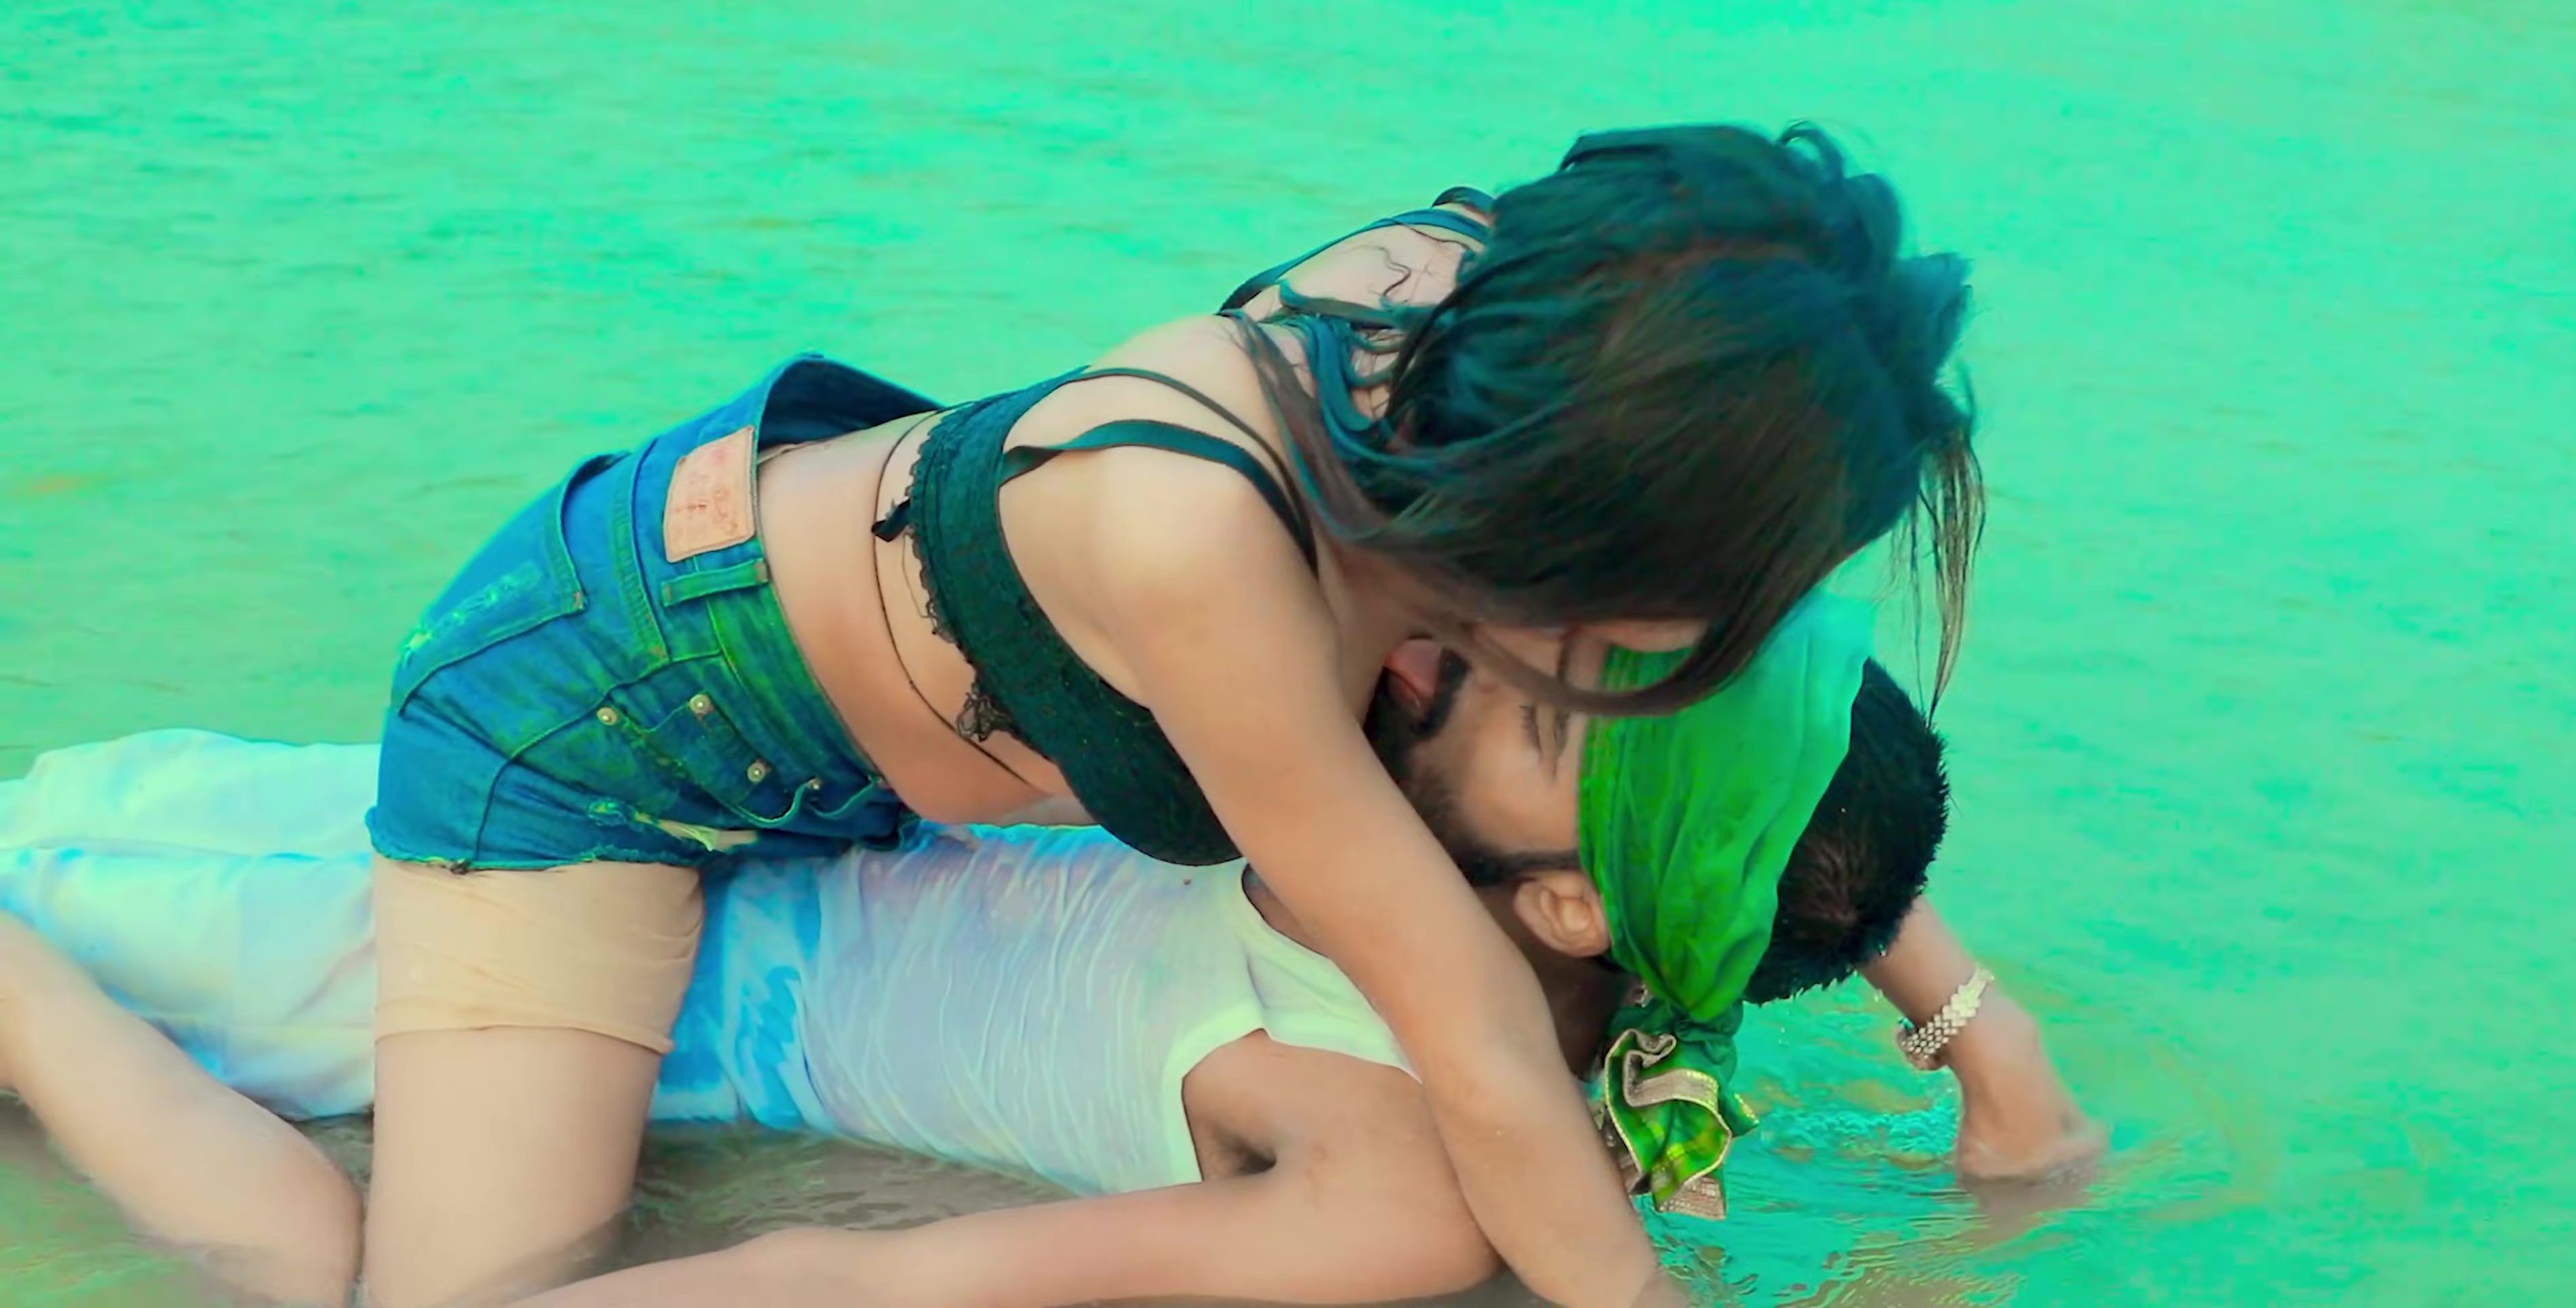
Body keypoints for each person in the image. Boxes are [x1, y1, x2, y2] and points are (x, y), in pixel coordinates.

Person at [356, 123, 1983, 1305]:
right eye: (1736, 596)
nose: (1745, 637)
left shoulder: (1526, 334)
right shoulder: (1206, 547)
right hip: (599, 720)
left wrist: (1972, 1021)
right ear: (1603, 528)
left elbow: (1726, 795)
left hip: (826, 611)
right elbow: (1478, 1035)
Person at [0, 604, 2095, 1307]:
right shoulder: (1398, 801)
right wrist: (1984, 1041)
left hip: (408, 971)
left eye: (1549, 713)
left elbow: (901, 1288)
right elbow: (1793, 835)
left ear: (1570, 903)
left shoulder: (1414, 1181)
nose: (1468, 650)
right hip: (497, 892)